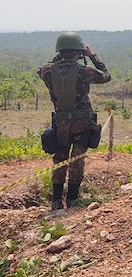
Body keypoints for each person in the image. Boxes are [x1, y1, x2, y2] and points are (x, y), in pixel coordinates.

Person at [38, 32, 111, 210]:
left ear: (59, 51)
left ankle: (56, 200)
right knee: (77, 160)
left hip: (61, 123)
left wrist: (61, 57)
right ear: (79, 52)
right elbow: (106, 75)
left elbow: (44, 69)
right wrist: (92, 56)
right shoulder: (84, 71)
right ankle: (72, 199)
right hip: (82, 123)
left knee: (60, 157)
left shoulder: (47, 70)